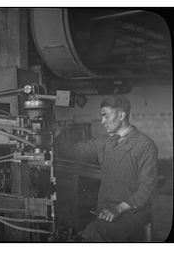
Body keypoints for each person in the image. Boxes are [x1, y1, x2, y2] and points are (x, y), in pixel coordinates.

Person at [53, 95, 158, 242]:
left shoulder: (145, 145)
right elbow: (72, 152)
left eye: (106, 116)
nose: (102, 122)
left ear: (121, 115)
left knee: (96, 233)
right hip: (106, 209)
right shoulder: (103, 142)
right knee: (87, 232)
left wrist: (118, 209)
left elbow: (148, 189)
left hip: (134, 211)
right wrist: (55, 129)